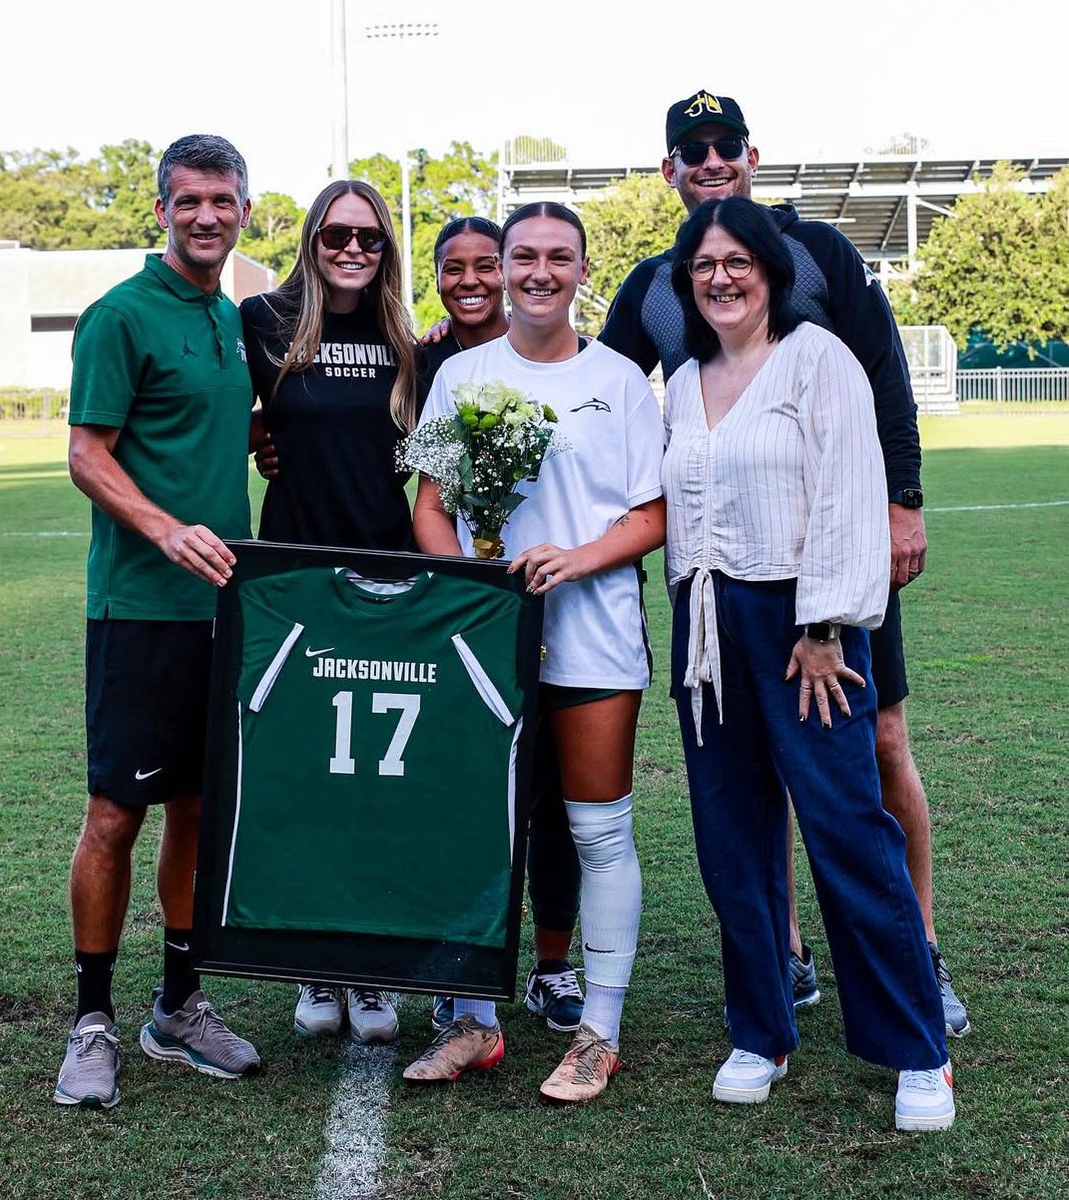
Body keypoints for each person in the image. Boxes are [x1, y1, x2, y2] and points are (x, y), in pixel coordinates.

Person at [600, 89, 968, 1037]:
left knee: (874, 742)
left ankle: (917, 949)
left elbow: (882, 374)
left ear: (752, 157)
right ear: (669, 170)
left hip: (833, 551)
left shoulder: (819, 254)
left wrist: (901, 502)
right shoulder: (655, 284)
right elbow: (599, 394)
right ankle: (788, 955)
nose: (710, 161)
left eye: (725, 145)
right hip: (723, 572)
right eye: (692, 150)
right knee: (750, 772)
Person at [257, 215, 590, 1036]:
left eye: (485, 265)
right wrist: (267, 442)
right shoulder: (425, 355)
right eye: (454, 268)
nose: (470, 281)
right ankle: (352, 961)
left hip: (518, 599)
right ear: (435, 276)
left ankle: (540, 966)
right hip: (406, 593)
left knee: (530, 792)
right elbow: (294, 426)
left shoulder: (551, 361)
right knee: (372, 776)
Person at [662, 195, 954, 1131]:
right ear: (686, 281)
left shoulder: (816, 358)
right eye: (703, 265)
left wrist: (824, 625)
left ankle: (917, 1049)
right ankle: (761, 1030)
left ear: (769, 271)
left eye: (736, 262)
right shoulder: (682, 381)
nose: (720, 278)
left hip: (803, 628)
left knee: (844, 829)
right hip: (706, 625)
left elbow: (847, 492)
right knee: (730, 836)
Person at [406, 202, 665, 1103]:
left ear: (584, 270)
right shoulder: (461, 375)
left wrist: (577, 558)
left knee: (597, 831)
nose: (539, 272)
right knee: (478, 828)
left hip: (594, 638)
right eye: (524, 256)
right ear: (504, 266)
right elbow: (430, 507)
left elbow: (653, 513)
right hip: (487, 642)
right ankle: (473, 1020)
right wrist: (473, 588)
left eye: (559, 257)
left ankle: (599, 1032)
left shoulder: (621, 380)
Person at [57, 134, 261, 1109]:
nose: (206, 217)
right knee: (115, 813)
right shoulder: (120, 315)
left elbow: (215, 431)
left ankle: (178, 1004)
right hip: (139, 609)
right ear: (162, 211)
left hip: (223, 608)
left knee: (197, 809)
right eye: (189, 201)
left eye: (222, 200)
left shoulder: (230, 318)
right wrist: (165, 528)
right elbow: (86, 454)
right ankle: (91, 1019)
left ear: (246, 210)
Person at [240, 179, 420, 1045]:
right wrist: (261, 442)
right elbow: (224, 414)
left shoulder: (407, 339)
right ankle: (316, 959)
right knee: (309, 775)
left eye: (369, 238)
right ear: (311, 239)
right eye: (337, 234)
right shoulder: (262, 321)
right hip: (294, 581)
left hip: (388, 581)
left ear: (386, 250)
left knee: (379, 780)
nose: (353, 249)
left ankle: (373, 964)